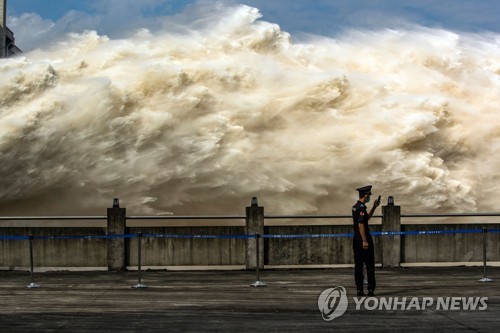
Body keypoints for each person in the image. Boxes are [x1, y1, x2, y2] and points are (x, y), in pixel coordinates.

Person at [352, 185, 380, 297]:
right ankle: (370, 289)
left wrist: (374, 207)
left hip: (356, 240)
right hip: (363, 240)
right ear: (366, 195)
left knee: (358, 266)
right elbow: (361, 224)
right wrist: (365, 240)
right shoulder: (362, 208)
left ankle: (359, 290)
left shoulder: (355, 206)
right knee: (369, 266)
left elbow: (366, 218)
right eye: (369, 195)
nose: (369, 197)